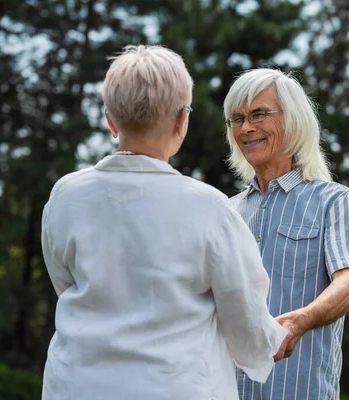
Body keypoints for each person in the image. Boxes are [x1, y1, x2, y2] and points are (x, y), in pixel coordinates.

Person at [41, 45, 287, 400]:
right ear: (181, 122)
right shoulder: (210, 208)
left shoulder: (65, 196)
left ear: (109, 119)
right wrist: (279, 337)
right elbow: (246, 326)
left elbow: (66, 284)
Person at [223, 68, 349, 399]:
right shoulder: (226, 211)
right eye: (236, 119)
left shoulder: (334, 201)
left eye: (258, 114)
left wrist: (300, 321)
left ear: (292, 119)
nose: (246, 128)